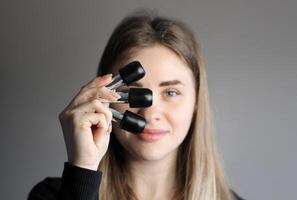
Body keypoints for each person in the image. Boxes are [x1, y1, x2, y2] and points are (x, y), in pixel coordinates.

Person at [28, 11, 244, 200]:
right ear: (102, 96)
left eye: (171, 92)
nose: (150, 114)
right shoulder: (52, 195)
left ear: (196, 102)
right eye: (132, 92)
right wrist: (83, 168)